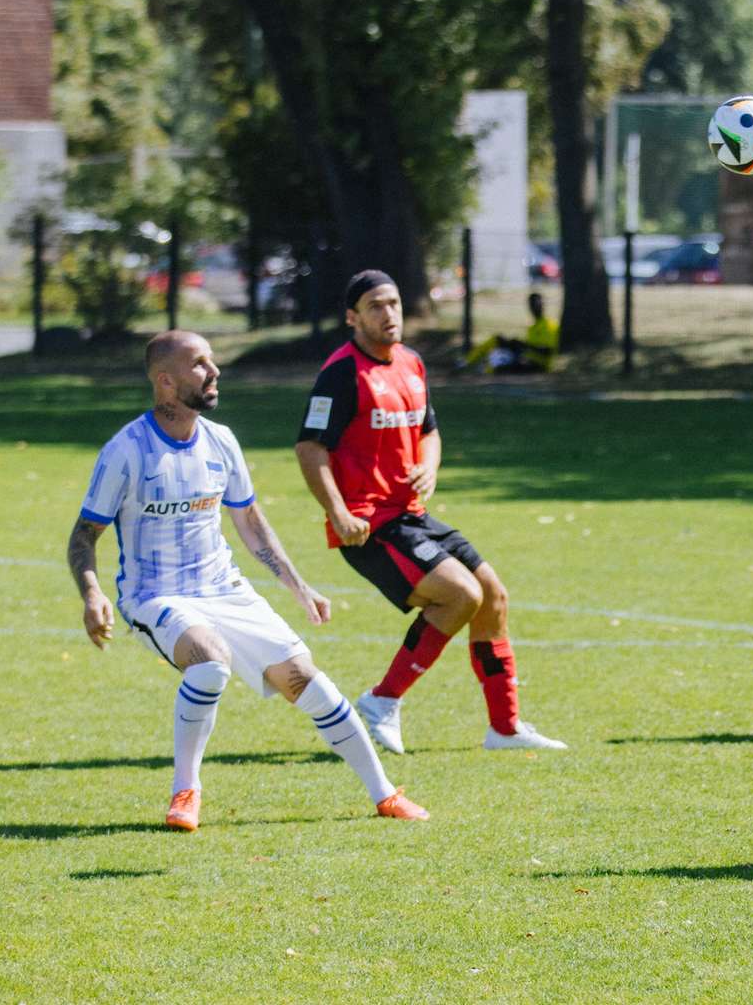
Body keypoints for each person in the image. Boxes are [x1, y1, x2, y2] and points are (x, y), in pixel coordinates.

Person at [68, 330, 428, 831]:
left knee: (304, 678)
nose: (214, 372)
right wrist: (93, 593)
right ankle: (185, 792)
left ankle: (385, 794)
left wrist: (298, 586)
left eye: (213, 361)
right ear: (167, 382)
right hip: (156, 596)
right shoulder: (126, 450)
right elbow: (84, 535)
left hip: (224, 589)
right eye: (200, 364)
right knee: (210, 663)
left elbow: (251, 522)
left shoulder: (222, 442)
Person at [295, 270, 567, 755]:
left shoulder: (412, 365)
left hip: (412, 515)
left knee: (493, 596)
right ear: (352, 317)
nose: (389, 314)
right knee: (460, 596)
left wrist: (429, 467)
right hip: (369, 525)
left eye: (394, 303)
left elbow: (429, 431)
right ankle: (381, 701)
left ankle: (504, 728)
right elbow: (310, 447)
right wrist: (337, 513)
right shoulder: (341, 372)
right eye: (376, 305)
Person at [460, 291, 559, 373]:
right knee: (498, 339)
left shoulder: (550, 325)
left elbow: (547, 352)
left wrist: (525, 346)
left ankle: (483, 371)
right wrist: (519, 345)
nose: (534, 308)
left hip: (538, 366)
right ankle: (467, 362)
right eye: (532, 305)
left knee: (502, 366)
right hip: (526, 358)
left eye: (537, 304)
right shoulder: (532, 328)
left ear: (543, 306)